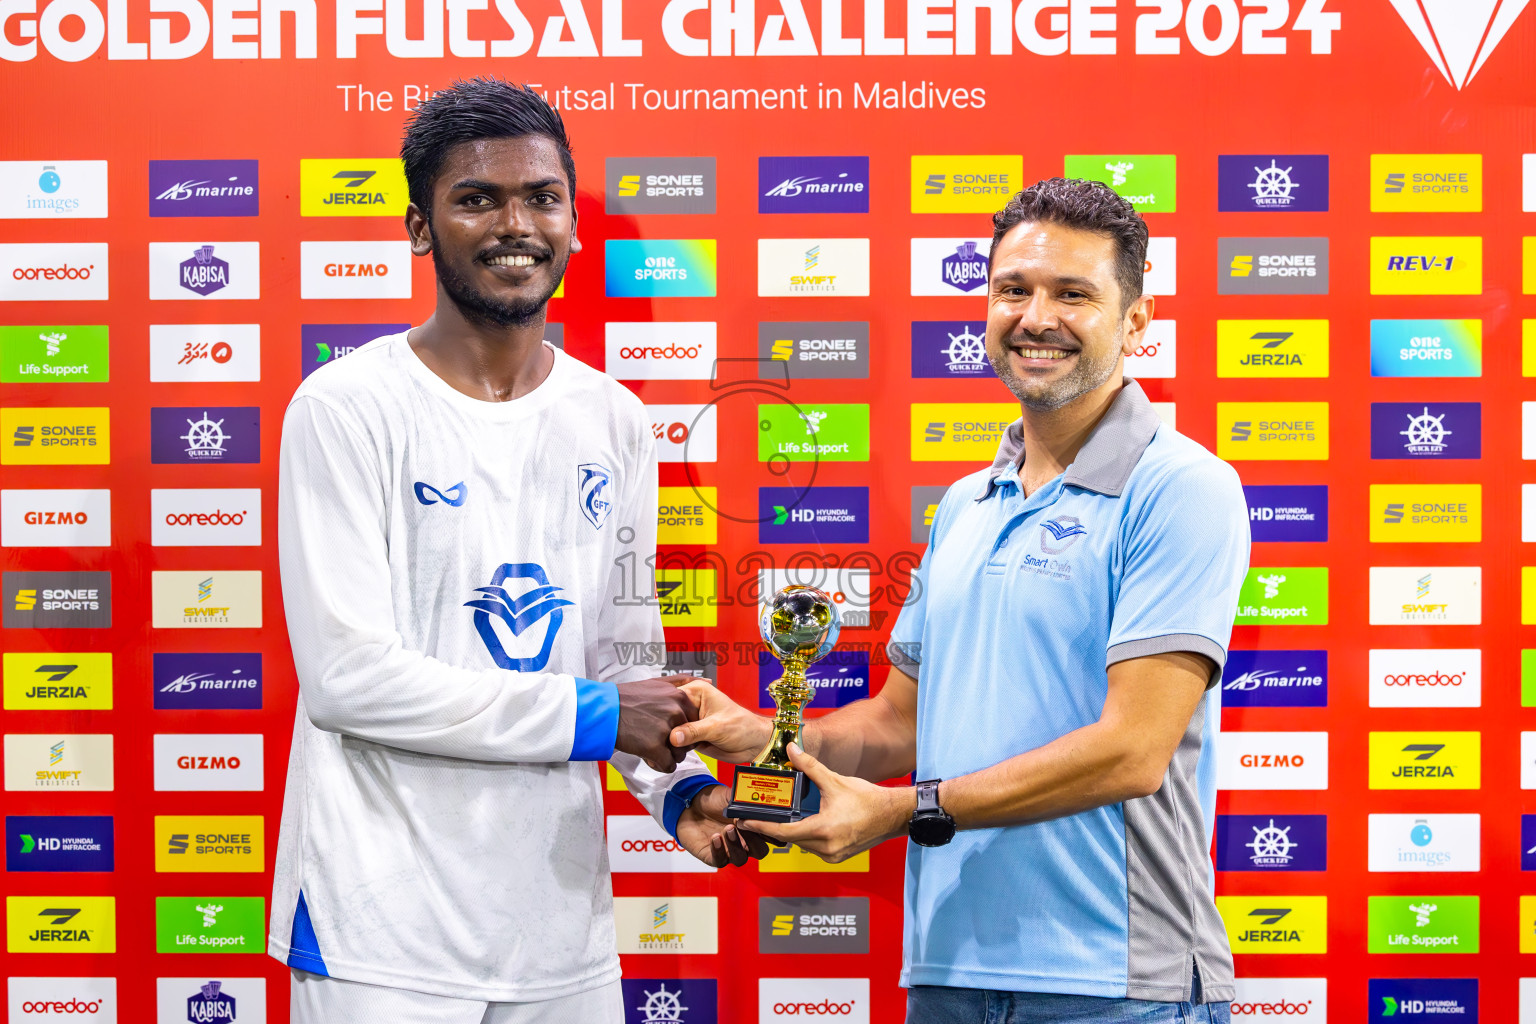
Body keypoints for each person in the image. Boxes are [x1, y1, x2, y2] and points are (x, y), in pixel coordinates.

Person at [674, 178, 1250, 1024]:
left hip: (1117, 985)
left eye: (1073, 294)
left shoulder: (1183, 486)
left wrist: (906, 811)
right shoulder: (970, 505)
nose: (1035, 316)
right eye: (1013, 289)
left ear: (1136, 322)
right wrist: (768, 735)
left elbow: (1134, 750)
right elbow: (902, 726)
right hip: (948, 968)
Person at [270, 78, 764, 1024]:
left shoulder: (613, 418)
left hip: (559, 933)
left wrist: (682, 788)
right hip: (382, 934)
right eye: (476, 198)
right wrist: (597, 716)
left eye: (541, 197)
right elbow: (347, 680)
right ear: (421, 228)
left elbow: (624, 657)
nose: (515, 225)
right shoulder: (343, 408)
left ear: (574, 222)